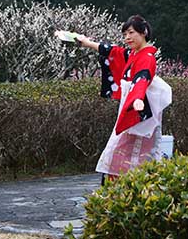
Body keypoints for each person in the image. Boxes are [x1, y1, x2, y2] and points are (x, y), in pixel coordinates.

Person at [74, 15, 172, 185]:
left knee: (128, 151)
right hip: (131, 106)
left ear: (144, 33)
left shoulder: (146, 57)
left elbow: (142, 78)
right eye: (125, 34)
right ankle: (123, 188)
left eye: (131, 33)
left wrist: (138, 98)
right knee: (125, 151)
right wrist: (87, 43)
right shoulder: (134, 53)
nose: (127, 38)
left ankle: (127, 189)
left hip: (140, 112)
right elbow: (113, 51)